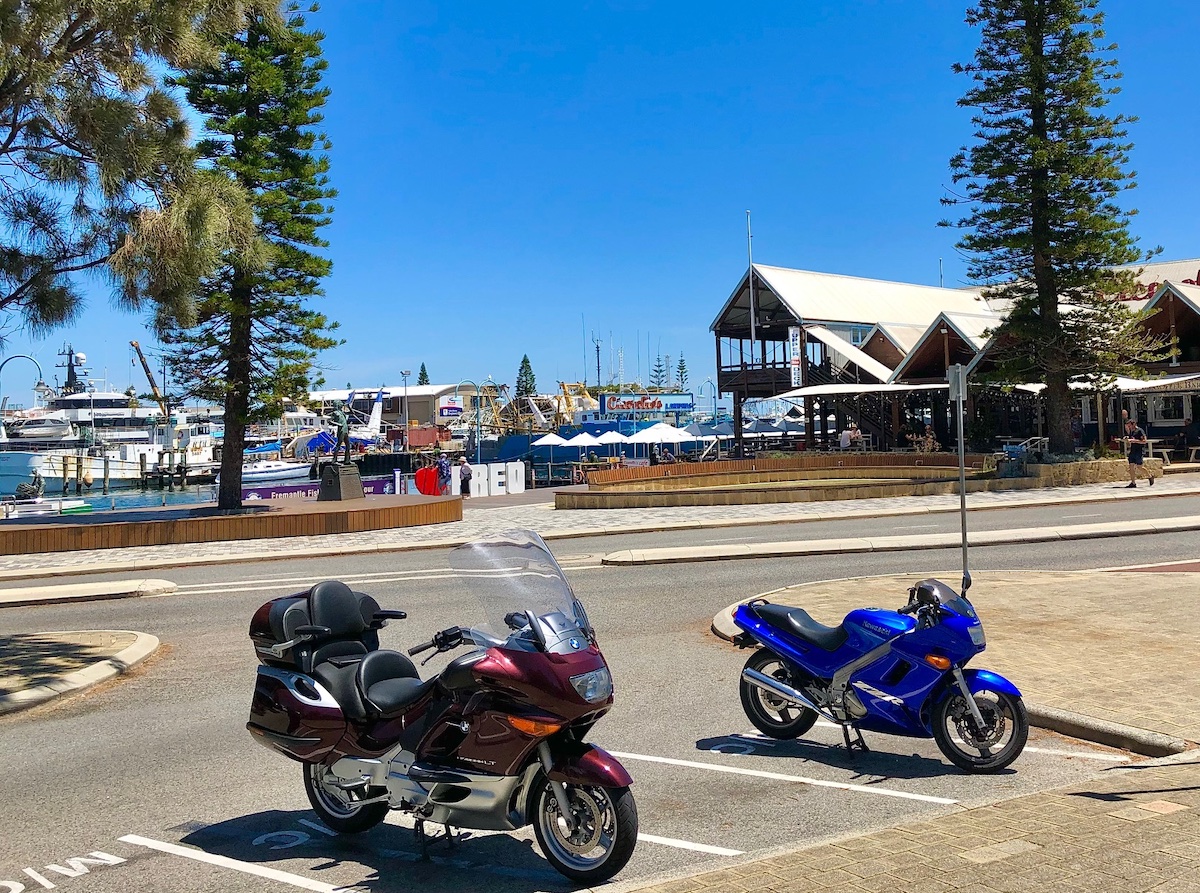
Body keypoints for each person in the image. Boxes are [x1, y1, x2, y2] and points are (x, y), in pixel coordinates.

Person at [1124, 417, 1155, 487]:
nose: (1129, 427)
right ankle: (1133, 482)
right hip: (1133, 451)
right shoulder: (1132, 431)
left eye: (1130, 426)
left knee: (1139, 466)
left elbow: (1144, 441)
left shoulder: (1140, 431)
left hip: (1139, 451)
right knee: (1131, 466)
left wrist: (1134, 441)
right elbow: (1131, 440)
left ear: (1134, 424)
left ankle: (1150, 476)